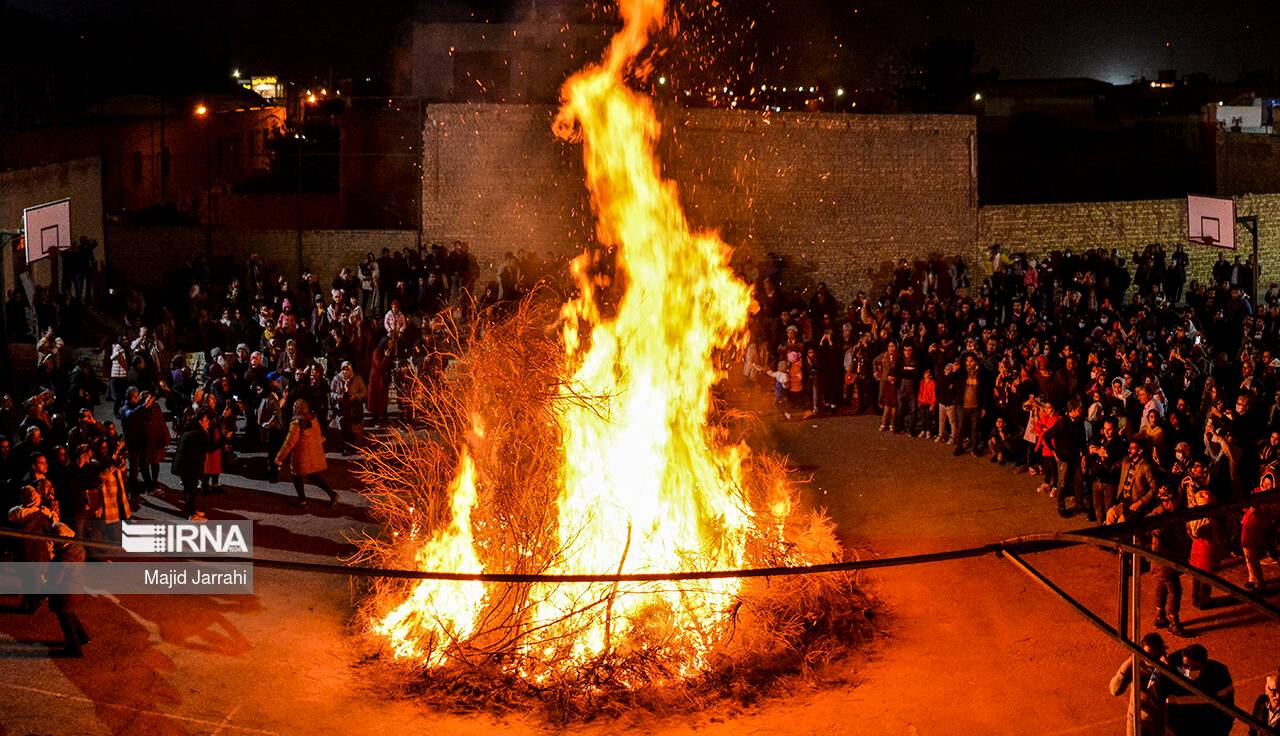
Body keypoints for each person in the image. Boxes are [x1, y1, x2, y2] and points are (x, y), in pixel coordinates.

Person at [275, 399, 337, 507]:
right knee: (313, 476)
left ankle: (303, 501)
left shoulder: (296, 424)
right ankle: (332, 494)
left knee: (296, 476)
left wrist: (279, 458)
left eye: (295, 406)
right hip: (313, 453)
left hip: (301, 456)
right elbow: (318, 436)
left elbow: (289, 443)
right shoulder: (313, 419)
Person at [1165, 643, 1234, 736]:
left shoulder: (1219, 674)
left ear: (1204, 664)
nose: (1189, 670)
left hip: (1206, 728)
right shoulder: (1168, 673)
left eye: (1195, 667)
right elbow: (1157, 703)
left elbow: (1227, 711)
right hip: (1177, 729)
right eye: (1186, 666)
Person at [1108, 632, 1168, 736]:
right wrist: (1127, 666)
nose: (1151, 660)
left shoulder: (1166, 667)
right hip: (1136, 720)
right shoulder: (1135, 664)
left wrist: (1167, 670)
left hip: (1158, 722)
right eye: (1147, 655)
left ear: (1162, 652)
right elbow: (1115, 690)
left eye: (1155, 656)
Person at [172, 411, 211, 521]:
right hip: (189, 467)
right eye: (206, 421)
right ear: (200, 422)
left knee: (188, 490)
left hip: (183, 466)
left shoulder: (190, 430)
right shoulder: (199, 434)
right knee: (191, 491)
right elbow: (208, 448)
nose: (208, 423)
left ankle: (191, 511)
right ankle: (192, 515)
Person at [1249, 668, 1280, 736]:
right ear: (1267, 691)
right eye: (1273, 691)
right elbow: (1252, 727)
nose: (1278, 696)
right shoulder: (1261, 702)